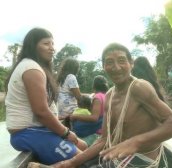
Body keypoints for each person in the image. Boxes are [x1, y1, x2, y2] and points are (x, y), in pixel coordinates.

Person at [52, 42, 172, 168]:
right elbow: (104, 140)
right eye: (109, 62)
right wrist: (72, 162)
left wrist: (135, 142)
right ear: (103, 66)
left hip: (142, 158)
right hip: (118, 154)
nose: (116, 67)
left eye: (121, 61)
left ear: (131, 63)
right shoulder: (109, 95)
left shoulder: (139, 87)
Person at [4, 27, 87, 166]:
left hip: (38, 131)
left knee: (83, 146)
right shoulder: (31, 69)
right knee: (82, 161)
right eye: (46, 43)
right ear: (33, 46)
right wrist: (66, 133)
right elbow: (41, 111)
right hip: (28, 133)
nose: (52, 48)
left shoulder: (33, 67)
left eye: (53, 44)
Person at [70, 75, 109, 146]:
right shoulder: (107, 96)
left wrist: (75, 116)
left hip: (95, 133)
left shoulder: (97, 97)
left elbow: (94, 118)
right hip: (103, 131)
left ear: (94, 85)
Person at [56, 58, 81, 125]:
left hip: (61, 110)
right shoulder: (71, 77)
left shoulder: (60, 78)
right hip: (70, 110)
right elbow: (79, 97)